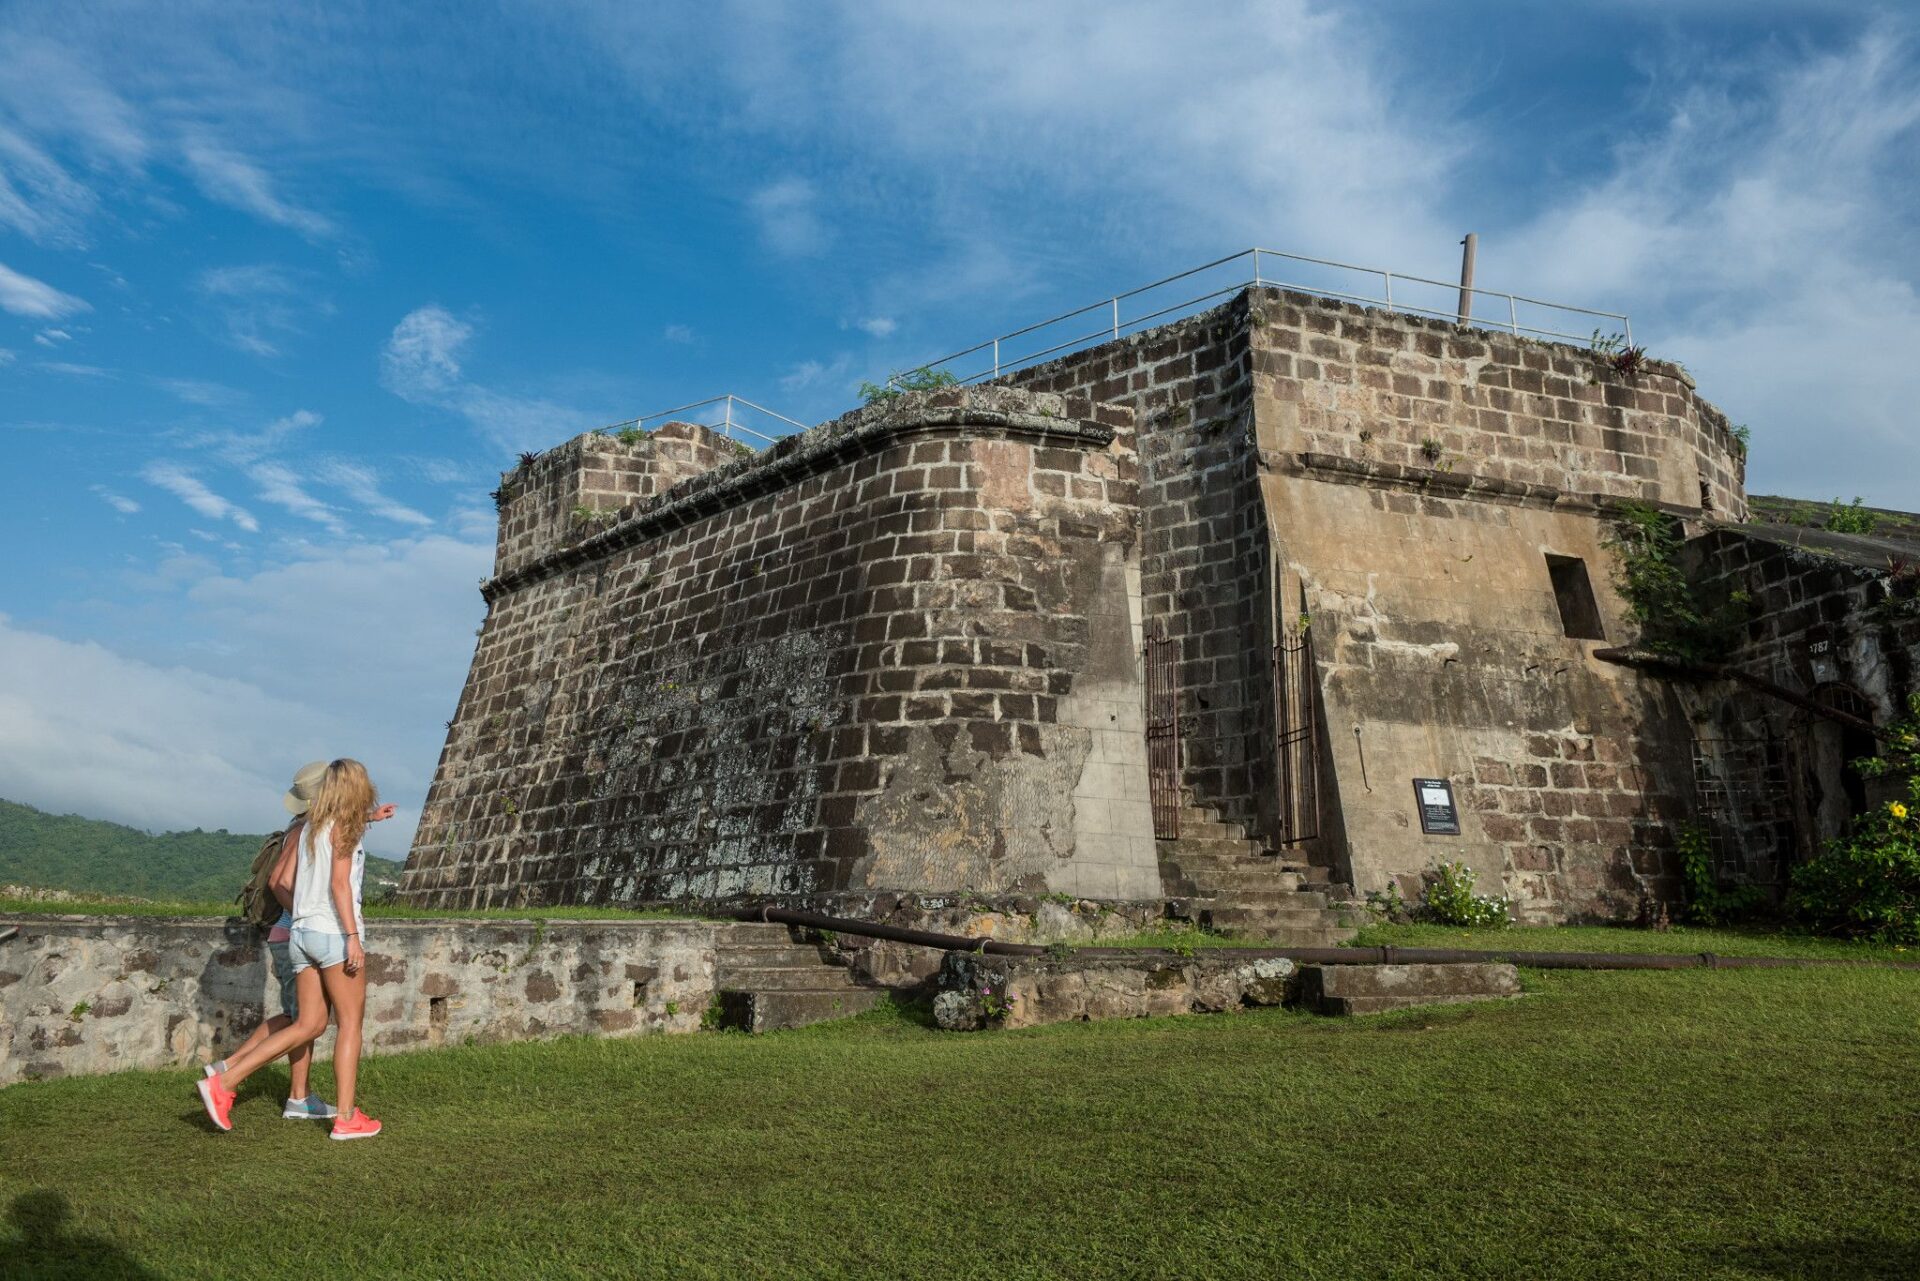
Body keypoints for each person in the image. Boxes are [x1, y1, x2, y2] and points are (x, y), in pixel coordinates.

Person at [197, 759, 389, 1141]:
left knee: (308, 1023)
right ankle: (347, 1117)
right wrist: (352, 935)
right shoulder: (345, 827)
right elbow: (339, 885)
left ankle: (226, 1080)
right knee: (350, 1025)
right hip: (333, 934)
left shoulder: (307, 829)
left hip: (301, 935)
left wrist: (369, 818)